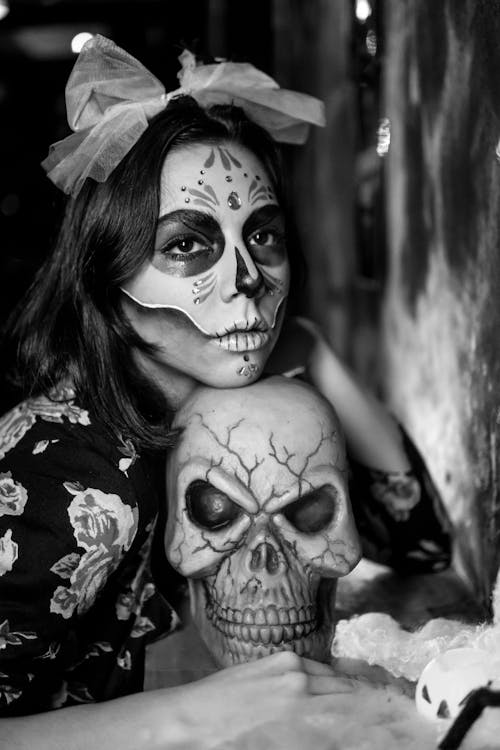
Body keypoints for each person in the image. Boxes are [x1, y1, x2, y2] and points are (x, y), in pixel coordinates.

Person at [0, 35, 450, 747]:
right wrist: (193, 714)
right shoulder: (65, 481)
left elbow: (418, 540)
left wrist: (309, 348)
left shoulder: (225, 409)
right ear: (109, 285)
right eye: (188, 244)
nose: (247, 279)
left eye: (263, 236)